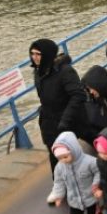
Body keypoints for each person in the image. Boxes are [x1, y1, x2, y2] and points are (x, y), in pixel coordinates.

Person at [30, 38, 92, 180]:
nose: (34, 57)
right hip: (50, 120)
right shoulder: (38, 73)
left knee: (87, 139)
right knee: (54, 151)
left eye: (38, 54)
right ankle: (58, 183)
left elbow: (78, 95)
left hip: (70, 119)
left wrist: (65, 119)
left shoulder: (65, 72)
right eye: (32, 54)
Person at [49, 131, 107, 214]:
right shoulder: (60, 167)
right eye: (59, 158)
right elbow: (58, 182)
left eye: (65, 156)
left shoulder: (89, 161)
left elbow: (98, 172)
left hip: (90, 197)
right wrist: (58, 195)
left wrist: (96, 186)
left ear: (74, 150)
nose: (63, 160)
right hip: (74, 199)